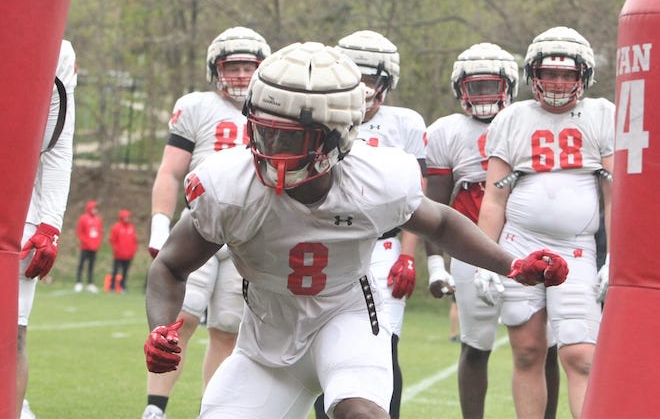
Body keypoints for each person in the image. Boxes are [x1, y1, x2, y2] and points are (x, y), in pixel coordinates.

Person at [143, 41, 569, 419]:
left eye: (288, 138)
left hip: (346, 320)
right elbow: (170, 267)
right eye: (264, 131)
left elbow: (440, 221)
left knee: (360, 412)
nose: (270, 150)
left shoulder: (374, 180)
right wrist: (161, 328)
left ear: (335, 139)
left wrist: (509, 263)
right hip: (265, 344)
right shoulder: (228, 185)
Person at [477, 27, 613, 418]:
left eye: (567, 75)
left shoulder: (602, 115)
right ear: (532, 74)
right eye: (549, 73)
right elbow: (495, 196)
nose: (557, 82)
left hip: (577, 247)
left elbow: (613, 195)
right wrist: (489, 260)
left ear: (583, 76)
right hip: (520, 243)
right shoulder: (512, 118)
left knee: (582, 354)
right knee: (527, 351)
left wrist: (614, 256)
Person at [425, 42, 560, 419]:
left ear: (511, 85)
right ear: (460, 89)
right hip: (471, 250)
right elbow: (433, 206)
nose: (484, 95)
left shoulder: (530, 120)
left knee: (542, 346)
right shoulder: (446, 131)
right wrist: (436, 264)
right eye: (476, 86)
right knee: (475, 344)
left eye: (492, 86)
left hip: (526, 243)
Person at [143, 26, 271, 419]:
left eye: (249, 66)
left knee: (229, 332)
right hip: (198, 223)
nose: (240, 75)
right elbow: (170, 171)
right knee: (178, 322)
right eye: (232, 66)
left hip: (250, 231)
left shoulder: (274, 107)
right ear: (215, 69)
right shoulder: (196, 106)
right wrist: (159, 227)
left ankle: (211, 411)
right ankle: (155, 409)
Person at [312, 29, 427, 419]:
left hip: (383, 244)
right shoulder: (320, 114)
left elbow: (418, 199)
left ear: (387, 81)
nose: (362, 87)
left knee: (384, 344)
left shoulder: (406, 122)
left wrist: (408, 256)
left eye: (370, 78)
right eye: (353, 76)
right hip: (330, 242)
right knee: (321, 341)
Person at [18, 39, 76, 419]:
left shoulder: (56, 49)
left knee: (11, 331)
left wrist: (51, 223)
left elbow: (57, 144)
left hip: (18, 203)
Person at [74, 200, 102, 293]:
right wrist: (86, 242)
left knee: (91, 266)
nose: (95, 210)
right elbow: (80, 232)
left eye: (96, 208)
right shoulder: (83, 218)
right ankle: (78, 282)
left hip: (94, 247)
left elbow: (99, 233)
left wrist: (97, 243)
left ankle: (90, 283)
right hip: (85, 247)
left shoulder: (98, 219)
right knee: (81, 264)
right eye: (94, 208)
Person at [108, 209, 138, 293]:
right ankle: (112, 286)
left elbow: (134, 241)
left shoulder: (131, 228)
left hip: (128, 255)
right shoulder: (116, 227)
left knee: (125, 272)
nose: (127, 219)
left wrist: (133, 251)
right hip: (119, 254)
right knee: (115, 271)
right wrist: (116, 250)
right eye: (126, 217)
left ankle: (123, 286)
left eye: (128, 217)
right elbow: (112, 240)